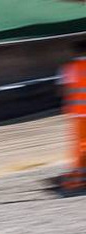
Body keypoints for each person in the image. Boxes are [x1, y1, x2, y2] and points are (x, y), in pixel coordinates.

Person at [61, 39, 86, 192]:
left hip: (78, 115)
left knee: (80, 147)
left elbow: (66, 92)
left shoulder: (70, 68)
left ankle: (79, 178)